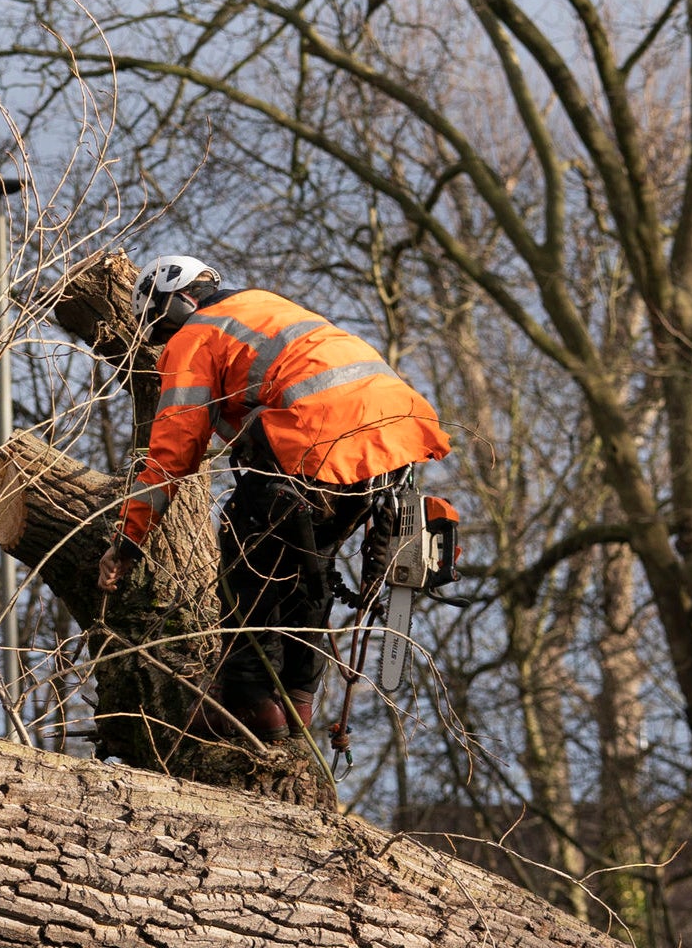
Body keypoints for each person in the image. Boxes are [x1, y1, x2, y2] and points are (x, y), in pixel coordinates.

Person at [95, 255, 449, 740]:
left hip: (319, 434)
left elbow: (172, 450)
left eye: (161, 330)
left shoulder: (195, 335)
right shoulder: (263, 305)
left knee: (247, 553)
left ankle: (250, 703)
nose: (165, 345)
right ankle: (297, 699)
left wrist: (128, 538)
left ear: (177, 305)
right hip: (395, 429)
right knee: (310, 560)